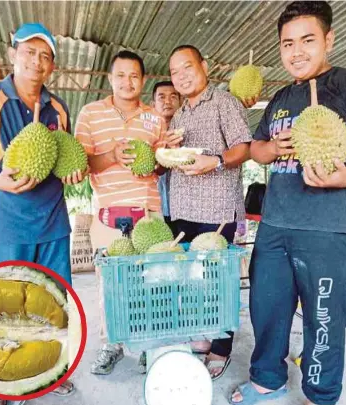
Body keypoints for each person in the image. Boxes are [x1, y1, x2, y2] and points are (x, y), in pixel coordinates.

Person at [230, 2, 346, 404]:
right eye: (288, 43)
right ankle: (268, 379)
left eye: (307, 40)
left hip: (330, 229)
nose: (296, 51)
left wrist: (345, 176)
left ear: (328, 40)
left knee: (324, 321)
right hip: (276, 223)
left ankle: (321, 392)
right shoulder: (281, 96)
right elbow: (258, 149)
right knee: (266, 309)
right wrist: (269, 147)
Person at [0, 23, 83, 398]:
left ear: (52, 66)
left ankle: (50, 372)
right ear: (13, 55)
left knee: (54, 301)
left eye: (44, 55)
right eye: (29, 52)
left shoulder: (58, 107)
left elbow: (67, 159)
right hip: (8, 224)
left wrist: (76, 171)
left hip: (52, 222)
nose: (36, 61)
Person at [75, 50, 166, 375]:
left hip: (149, 209)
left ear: (143, 80)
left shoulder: (155, 118)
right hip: (108, 211)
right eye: (121, 75)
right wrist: (112, 155)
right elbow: (82, 164)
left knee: (150, 281)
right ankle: (111, 344)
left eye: (134, 76)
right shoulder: (90, 114)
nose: (127, 82)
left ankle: (145, 344)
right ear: (110, 79)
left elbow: (161, 164)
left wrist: (154, 163)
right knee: (110, 283)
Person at [166, 44, 253, 380]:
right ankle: (202, 334)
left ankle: (222, 347)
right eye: (175, 72)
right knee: (192, 281)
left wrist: (215, 161)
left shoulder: (224, 103)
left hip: (217, 209)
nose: (182, 76)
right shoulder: (179, 115)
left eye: (187, 67)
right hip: (184, 208)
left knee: (219, 281)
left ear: (203, 66)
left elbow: (244, 148)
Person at [151, 80, 181, 228]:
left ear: (181, 102)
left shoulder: (189, 130)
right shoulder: (146, 134)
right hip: (156, 210)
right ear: (153, 104)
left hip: (186, 210)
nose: (167, 101)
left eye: (173, 97)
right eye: (161, 97)